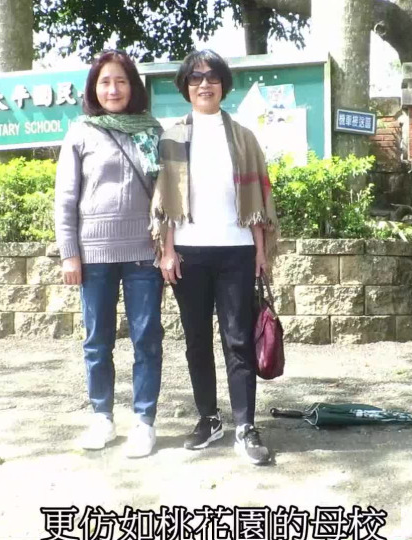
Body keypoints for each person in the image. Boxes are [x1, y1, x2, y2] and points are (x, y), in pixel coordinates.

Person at [151, 49, 280, 466]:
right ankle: (209, 418)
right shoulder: (171, 138)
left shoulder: (244, 137)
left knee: (238, 338)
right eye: (195, 77)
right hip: (189, 253)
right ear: (185, 86)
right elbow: (164, 201)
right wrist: (167, 250)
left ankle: (245, 425)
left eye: (212, 76)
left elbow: (257, 200)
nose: (204, 83)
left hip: (237, 251)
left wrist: (260, 251)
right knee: (196, 340)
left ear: (224, 84)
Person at [54, 50, 165, 459]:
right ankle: (102, 417)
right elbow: (65, 198)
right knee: (97, 341)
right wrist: (70, 253)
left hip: (143, 253)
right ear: (93, 89)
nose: (113, 89)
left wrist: (167, 245)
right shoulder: (80, 132)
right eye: (105, 82)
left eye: (120, 81)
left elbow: (167, 195)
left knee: (146, 339)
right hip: (94, 254)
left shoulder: (151, 131)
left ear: (133, 86)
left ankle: (144, 422)